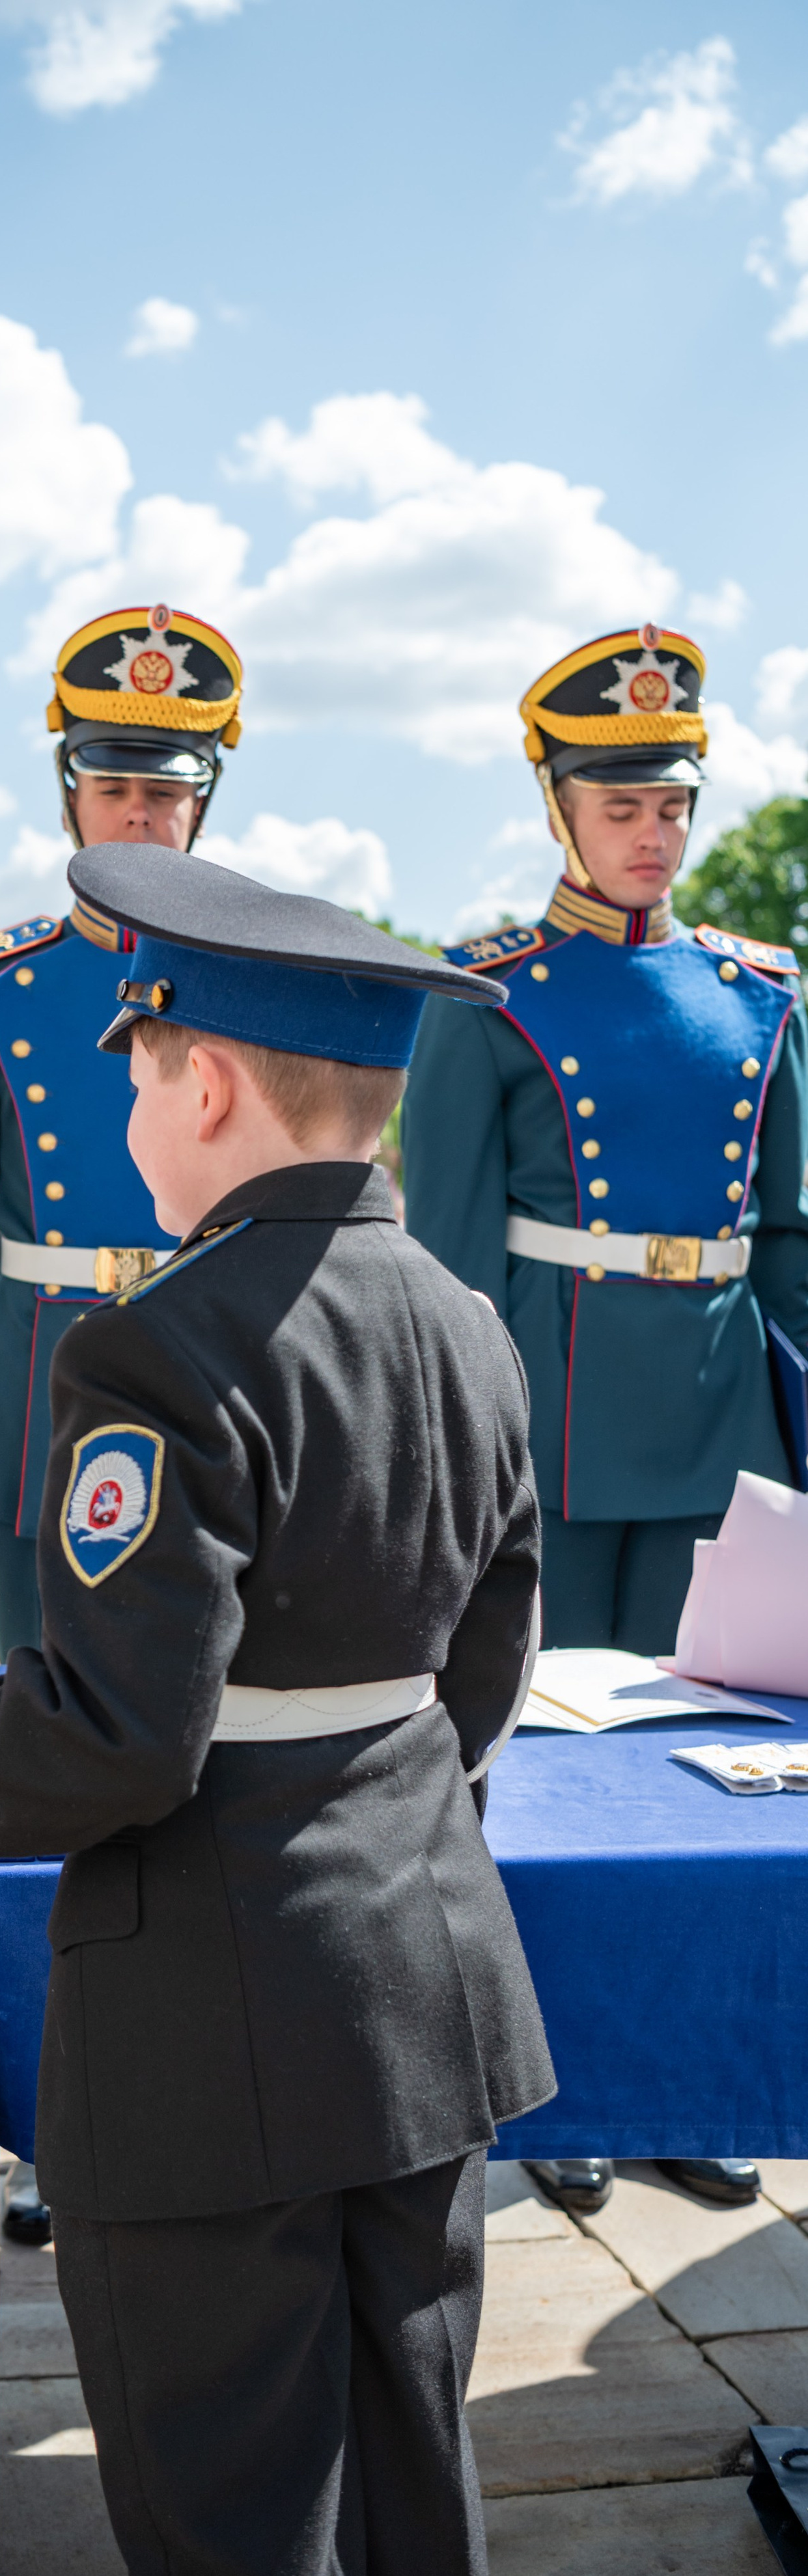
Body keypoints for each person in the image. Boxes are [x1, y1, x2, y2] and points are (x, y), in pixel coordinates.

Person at [0, 839, 555, 2576]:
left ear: (215, 1083)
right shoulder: (473, 1326)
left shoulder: (160, 1354)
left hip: (206, 2020)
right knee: (412, 2486)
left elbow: (119, 1735)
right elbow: (488, 1657)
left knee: (230, 2526)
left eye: (136, 1077)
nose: (126, 1119)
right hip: (427, 1980)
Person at [404, 625, 808, 2217]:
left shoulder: (756, 993)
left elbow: (784, 1241)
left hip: (718, 1434)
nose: (648, 829)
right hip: (548, 1425)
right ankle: (543, 2084)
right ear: (556, 804)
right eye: (615, 800)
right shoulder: (488, 997)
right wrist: (448, 1449)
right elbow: (439, 1253)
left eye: (669, 803)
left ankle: (684, 2079)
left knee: (714, 1765)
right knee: (538, 1766)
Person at [0, 605, 244, 1662]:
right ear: (70, 799)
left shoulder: (264, 980)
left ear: (201, 806)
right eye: (114, 789)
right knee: (47, 1721)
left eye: (166, 793)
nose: (138, 816)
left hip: (217, 1377)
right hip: (38, 1397)